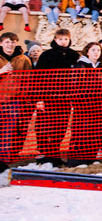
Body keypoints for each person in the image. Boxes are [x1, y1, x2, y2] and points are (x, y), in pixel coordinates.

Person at [33, 28, 79, 165]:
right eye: (60, 39)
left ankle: (55, 153)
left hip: (65, 98)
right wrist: (39, 98)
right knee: (44, 126)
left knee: (61, 126)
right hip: (48, 96)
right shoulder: (46, 55)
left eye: (66, 39)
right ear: (55, 39)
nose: (63, 42)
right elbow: (38, 78)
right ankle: (43, 153)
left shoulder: (74, 55)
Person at [0, 32, 32, 164]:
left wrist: (24, 98)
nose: (10, 45)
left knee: (11, 128)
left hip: (15, 100)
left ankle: (4, 157)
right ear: (1, 43)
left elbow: (29, 81)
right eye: (7, 42)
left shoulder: (24, 59)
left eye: (13, 42)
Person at [70, 42, 102, 161]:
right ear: (87, 51)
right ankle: (78, 156)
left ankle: (92, 156)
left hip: (98, 104)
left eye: (98, 50)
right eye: (93, 50)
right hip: (83, 104)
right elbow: (76, 85)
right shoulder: (81, 65)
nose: (96, 52)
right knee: (82, 130)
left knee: (95, 130)